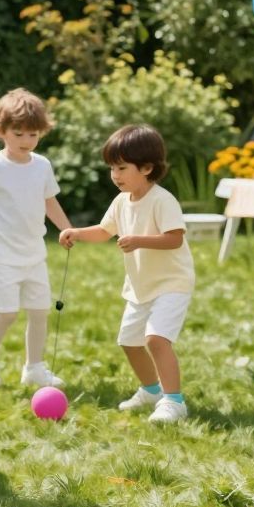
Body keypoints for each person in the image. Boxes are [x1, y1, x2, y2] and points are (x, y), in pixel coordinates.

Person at [60, 124, 194, 424]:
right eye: (111, 168)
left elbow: (175, 238)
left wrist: (139, 240)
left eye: (121, 167)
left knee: (156, 340)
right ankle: (151, 390)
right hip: (140, 285)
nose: (115, 175)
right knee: (129, 341)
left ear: (147, 168)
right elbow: (105, 230)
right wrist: (77, 233)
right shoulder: (122, 201)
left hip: (172, 283)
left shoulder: (162, 200)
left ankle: (174, 402)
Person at [0, 88, 72, 389]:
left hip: (34, 253)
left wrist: (66, 228)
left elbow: (50, 201)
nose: (26, 141)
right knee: (7, 312)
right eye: (18, 133)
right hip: (0, 255)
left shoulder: (42, 166)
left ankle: (34, 367)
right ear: (0, 130)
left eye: (33, 135)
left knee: (39, 312)